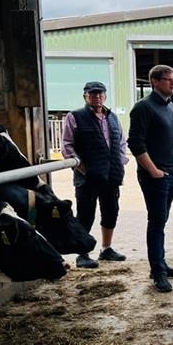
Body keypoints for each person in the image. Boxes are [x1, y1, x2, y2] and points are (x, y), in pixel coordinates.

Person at [128, 64, 173, 293]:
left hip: (171, 173)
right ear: (155, 82)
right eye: (169, 79)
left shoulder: (170, 105)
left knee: (162, 221)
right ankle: (158, 272)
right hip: (155, 176)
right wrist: (153, 171)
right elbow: (135, 143)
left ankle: (160, 264)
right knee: (157, 222)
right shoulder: (143, 107)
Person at [61, 81, 128, 269]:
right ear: (85, 96)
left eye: (100, 93)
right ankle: (82, 254)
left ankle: (106, 248)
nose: (97, 97)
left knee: (111, 212)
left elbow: (121, 143)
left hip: (111, 175)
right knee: (85, 215)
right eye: (92, 94)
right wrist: (81, 168)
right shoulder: (75, 117)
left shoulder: (112, 117)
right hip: (87, 177)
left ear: (105, 96)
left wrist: (119, 162)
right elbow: (67, 146)